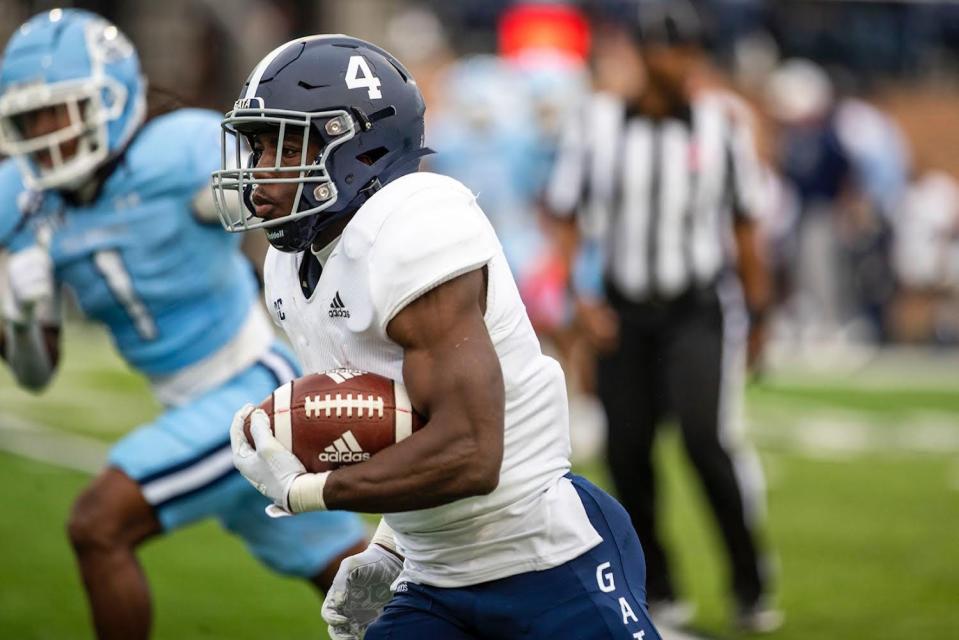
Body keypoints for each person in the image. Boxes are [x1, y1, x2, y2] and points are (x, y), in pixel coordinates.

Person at [212, 34, 662, 640]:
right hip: (435, 580)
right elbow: (398, 420)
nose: (261, 173)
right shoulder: (288, 268)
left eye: (281, 146)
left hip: (547, 561)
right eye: (257, 147)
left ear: (358, 149)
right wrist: (389, 549)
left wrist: (309, 492)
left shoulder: (415, 225)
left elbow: (470, 452)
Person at [0, 10, 365, 639]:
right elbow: (36, 374)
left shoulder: (181, 152)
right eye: (31, 119)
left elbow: (290, 205)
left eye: (59, 111)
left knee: (97, 524)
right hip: (188, 409)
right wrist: (20, 315)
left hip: (251, 387)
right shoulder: (22, 197)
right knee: (356, 587)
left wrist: (243, 199)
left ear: (111, 98)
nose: (45, 134)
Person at [542, 1, 781, 633]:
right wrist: (578, 298)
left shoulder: (719, 124)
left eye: (689, 50)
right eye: (669, 49)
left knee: (705, 438)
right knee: (628, 451)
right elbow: (564, 215)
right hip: (621, 310)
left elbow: (745, 224)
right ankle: (662, 584)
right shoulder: (595, 123)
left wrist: (759, 314)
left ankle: (750, 581)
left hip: (695, 308)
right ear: (645, 53)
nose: (680, 63)